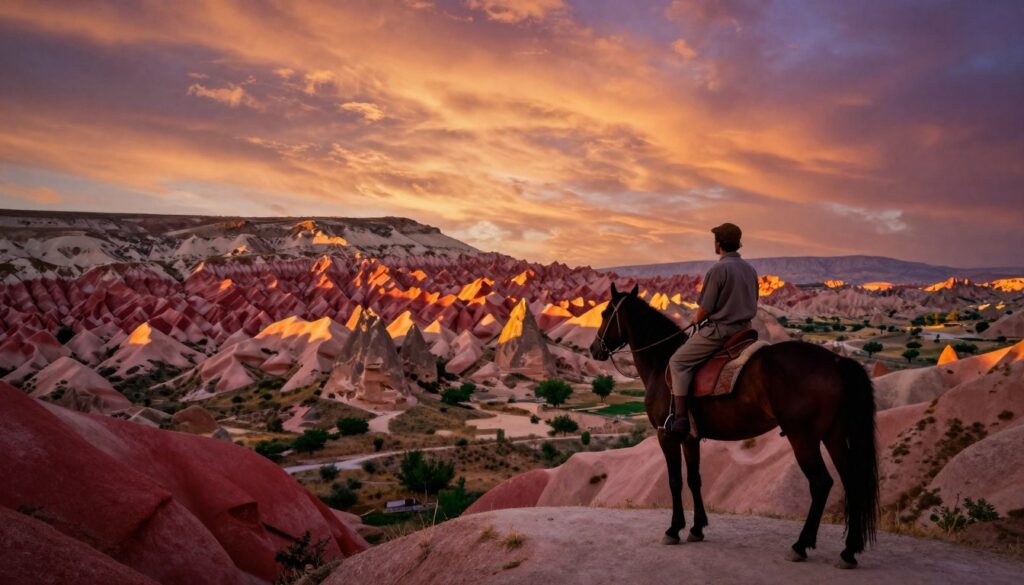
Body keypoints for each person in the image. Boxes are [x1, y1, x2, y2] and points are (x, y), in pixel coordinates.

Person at [666, 223, 758, 436]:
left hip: (721, 331)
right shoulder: (750, 269)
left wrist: (695, 320)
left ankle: (681, 420)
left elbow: (705, 309)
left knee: (677, 362)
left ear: (719, 243)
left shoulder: (718, 270)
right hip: (745, 330)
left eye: (715, 239)